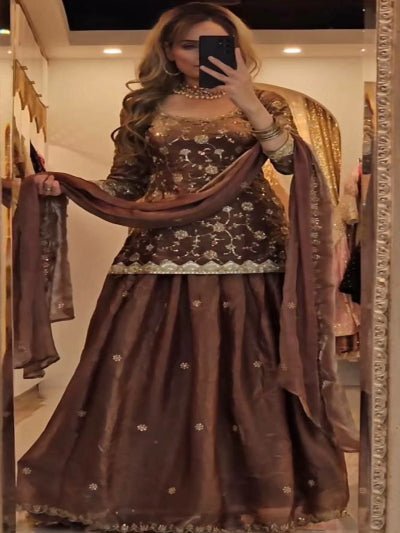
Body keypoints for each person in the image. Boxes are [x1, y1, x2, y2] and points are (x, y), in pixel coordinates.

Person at [17, 2, 357, 531]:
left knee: (252, 378)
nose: (200, 55)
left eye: (215, 44)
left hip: (251, 255)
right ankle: (141, 490)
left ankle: (253, 492)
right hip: (160, 255)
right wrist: (65, 186)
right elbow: (126, 184)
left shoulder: (264, 102)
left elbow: (291, 163)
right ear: (168, 52)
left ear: (237, 49)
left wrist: (247, 100)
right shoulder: (144, 106)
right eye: (187, 45)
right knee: (142, 375)